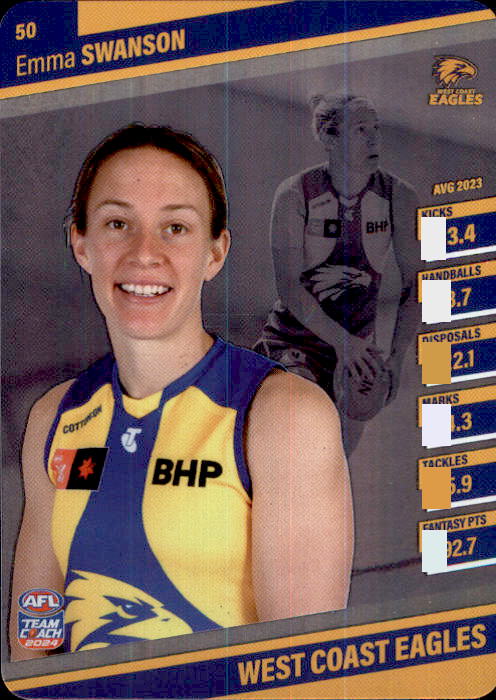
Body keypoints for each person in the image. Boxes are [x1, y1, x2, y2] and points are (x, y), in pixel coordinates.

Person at [10, 124, 353, 658]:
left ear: (215, 253)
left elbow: (300, 675)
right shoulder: (55, 417)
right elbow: (35, 640)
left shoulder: (283, 415)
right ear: (81, 244)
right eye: (118, 224)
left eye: (175, 228)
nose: (144, 254)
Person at [254, 94, 419, 454]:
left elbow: (418, 285)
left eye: (376, 129)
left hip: (359, 344)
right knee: (296, 435)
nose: (373, 139)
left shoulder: (400, 196)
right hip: (296, 340)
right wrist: (341, 342)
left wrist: (396, 357)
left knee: (338, 456)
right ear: (329, 138)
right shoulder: (294, 194)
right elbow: (289, 286)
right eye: (360, 130)